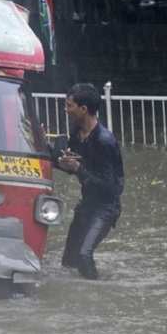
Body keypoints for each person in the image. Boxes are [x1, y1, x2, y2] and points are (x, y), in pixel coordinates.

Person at [56, 83, 124, 280]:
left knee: (84, 256)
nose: (65, 110)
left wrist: (79, 169)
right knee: (68, 261)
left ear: (83, 109)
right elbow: (70, 163)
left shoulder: (105, 141)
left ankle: (100, 294)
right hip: (87, 203)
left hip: (106, 208)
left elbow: (111, 188)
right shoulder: (76, 132)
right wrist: (54, 153)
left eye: (69, 106)